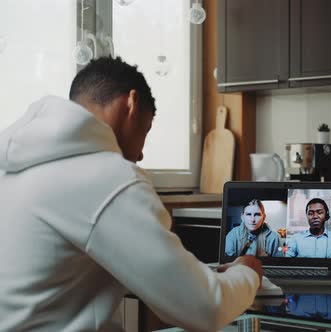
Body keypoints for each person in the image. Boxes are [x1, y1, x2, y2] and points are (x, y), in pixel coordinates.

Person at [0, 56, 263, 332]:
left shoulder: (16, 167)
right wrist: (247, 272)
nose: (140, 153)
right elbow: (206, 308)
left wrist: (202, 276)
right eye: (146, 130)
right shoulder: (109, 178)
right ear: (131, 103)